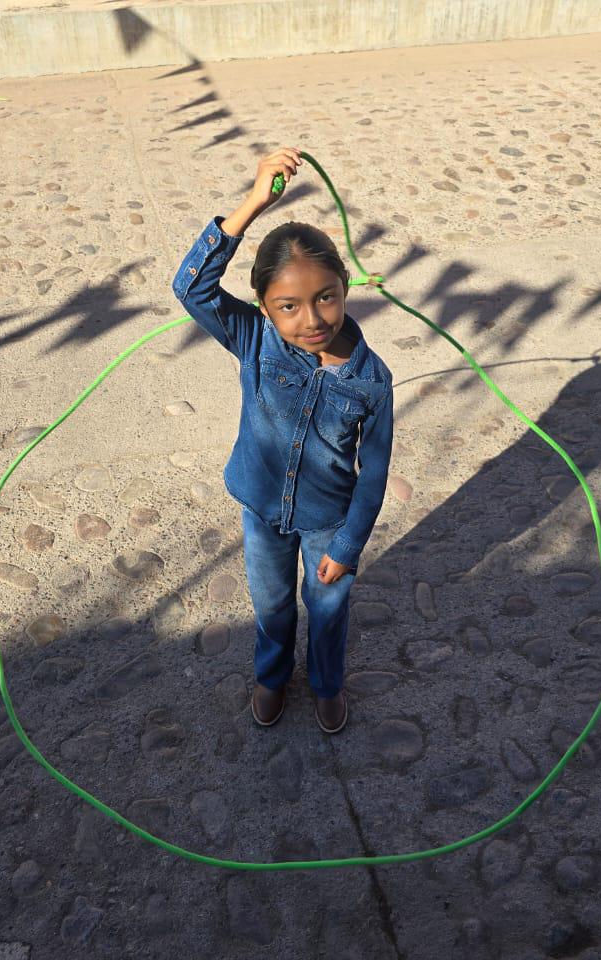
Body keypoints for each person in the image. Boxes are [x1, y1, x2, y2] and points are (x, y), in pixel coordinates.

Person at [171, 146, 394, 734]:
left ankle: (326, 684)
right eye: (288, 306)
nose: (312, 318)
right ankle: (271, 676)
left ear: (346, 285)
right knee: (270, 607)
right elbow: (190, 287)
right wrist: (251, 203)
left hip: (329, 521)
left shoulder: (371, 379)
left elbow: (372, 473)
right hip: (263, 512)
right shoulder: (254, 340)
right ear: (264, 309)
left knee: (327, 611)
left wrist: (348, 546)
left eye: (326, 296)